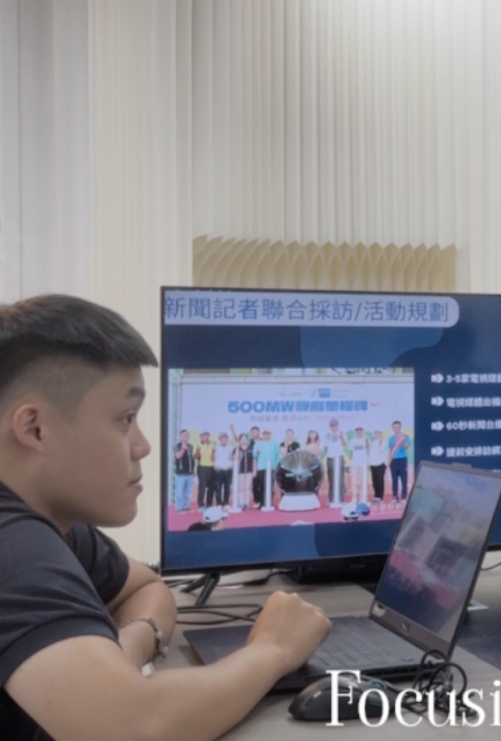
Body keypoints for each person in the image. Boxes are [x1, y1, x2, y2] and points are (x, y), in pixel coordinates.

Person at [0, 294, 330, 741]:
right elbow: (135, 727)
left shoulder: (53, 525)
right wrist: (275, 649)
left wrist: (129, 646)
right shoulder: (14, 547)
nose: (142, 445)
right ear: (34, 428)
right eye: (125, 418)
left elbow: (147, 587)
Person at [324, 418, 347, 505]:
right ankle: (331, 498)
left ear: (338, 426)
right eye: (332, 426)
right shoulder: (327, 435)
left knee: (340, 478)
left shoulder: (342, 434)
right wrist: (331, 453)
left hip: (339, 458)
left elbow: (344, 444)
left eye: (335, 425)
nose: (334, 427)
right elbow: (325, 447)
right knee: (331, 478)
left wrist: (341, 437)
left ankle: (341, 498)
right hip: (330, 458)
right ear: (330, 427)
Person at [389, 420, 411, 504]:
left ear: (400, 427)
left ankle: (404, 497)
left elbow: (406, 447)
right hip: (393, 461)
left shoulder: (405, 437)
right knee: (394, 479)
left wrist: (402, 441)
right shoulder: (391, 438)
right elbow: (391, 450)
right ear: (392, 428)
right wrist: (389, 461)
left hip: (402, 459)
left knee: (403, 479)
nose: (396, 428)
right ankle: (395, 497)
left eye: (398, 426)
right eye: (394, 427)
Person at [173, 428, 194, 514]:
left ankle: (186, 507)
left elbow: (191, 459)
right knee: (179, 492)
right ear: (180, 436)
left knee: (187, 492)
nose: (186, 437)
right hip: (180, 474)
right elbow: (178, 456)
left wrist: (193, 470)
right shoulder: (177, 446)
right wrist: (183, 448)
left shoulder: (190, 446)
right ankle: (179, 508)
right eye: (184, 435)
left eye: (187, 435)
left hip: (189, 473)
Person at [213, 431, 235, 512]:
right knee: (218, 488)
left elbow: (234, 458)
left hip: (228, 470)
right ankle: (219, 503)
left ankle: (226, 503)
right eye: (222, 438)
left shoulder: (231, 448)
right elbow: (212, 458)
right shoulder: (215, 448)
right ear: (219, 439)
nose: (224, 439)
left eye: (225, 438)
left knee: (227, 487)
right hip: (218, 470)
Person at [193, 430, 215, 510]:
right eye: (203, 435)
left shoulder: (212, 445)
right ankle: (201, 504)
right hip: (202, 467)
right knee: (202, 486)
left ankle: (209, 503)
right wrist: (198, 450)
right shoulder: (198, 445)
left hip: (211, 467)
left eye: (206, 435)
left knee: (211, 487)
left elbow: (213, 458)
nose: (205, 437)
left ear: (209, 436)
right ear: (201, 437)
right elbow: (195, 457)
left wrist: (213, 452)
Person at [368, 428, 389, 503]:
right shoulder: (373, 443)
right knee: (374, 481)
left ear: (381, 433)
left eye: (379, 433)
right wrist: (369, 463)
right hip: (373, 464)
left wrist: (380, 442)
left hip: (381, 463)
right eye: (376, 433)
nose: (377, 434)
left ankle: (380, 496)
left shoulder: (384, 442)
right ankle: (376, 496)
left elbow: (382, 450)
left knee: (380, 480)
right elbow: (370, 454)